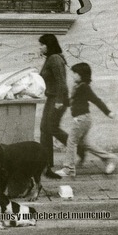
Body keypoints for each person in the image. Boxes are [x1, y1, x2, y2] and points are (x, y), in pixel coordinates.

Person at [55, 63, 117, 177]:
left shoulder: (84, 87)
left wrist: (108, 112)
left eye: (75, 73)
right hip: (83, 119)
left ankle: (68, 169)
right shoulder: (78, 86)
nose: (73, 75)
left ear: (82, 75)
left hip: (82, 119)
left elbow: (96, 100)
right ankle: (110, 158)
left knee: (71, 141)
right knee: (86, 144)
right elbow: (73, 101)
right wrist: (62, 104)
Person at [39, 34, 70, 171]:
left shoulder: (55, 59)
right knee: (46, 129)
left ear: (49, 45)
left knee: (50, 128)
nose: (40, 48)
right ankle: (46, 162)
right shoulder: (50, 59)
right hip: (52, 97)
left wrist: (59, 100)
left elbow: (61, 81)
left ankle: (78, 147)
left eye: (42, 45)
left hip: (57, 98)